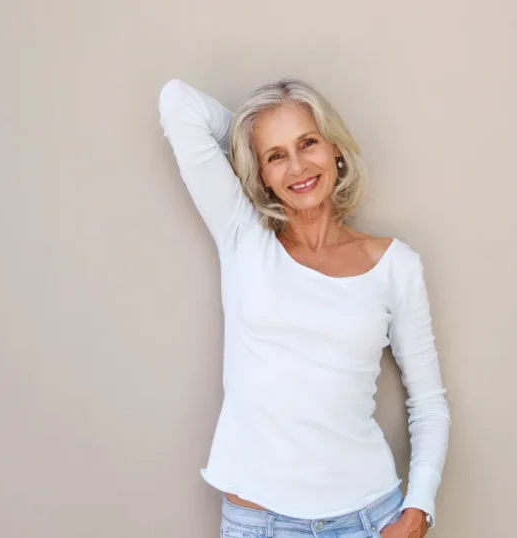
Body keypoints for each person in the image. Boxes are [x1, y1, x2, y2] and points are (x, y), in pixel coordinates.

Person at [157, 77, 451, 538]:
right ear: (262, 173)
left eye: (307, 143)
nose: (297, 167)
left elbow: (429, 402)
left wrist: (419, 509)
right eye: (276, 156)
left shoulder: (397, 265)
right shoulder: (243, 236)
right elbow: (177, 102)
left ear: (335, 147)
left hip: (369, 519)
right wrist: (252, 138)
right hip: (261, 524)